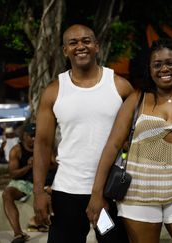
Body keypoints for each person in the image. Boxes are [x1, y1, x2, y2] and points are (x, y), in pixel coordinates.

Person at [87, 38, 172, 243]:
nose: (164, 69)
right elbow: (112, 146)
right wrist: (96, 193)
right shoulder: (136, 100)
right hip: (139, 196)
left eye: (170, 63)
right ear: (148, 69)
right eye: (157, 64)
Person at [33, 24, 133, 243]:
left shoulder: (120, 86)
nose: (81, 46)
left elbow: (140, 135)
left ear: (97, 46)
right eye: (73, 42)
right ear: (64, 50)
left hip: (111, 191)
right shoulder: (54, 91)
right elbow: (42, 144)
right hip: (67, 190)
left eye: (86, 41)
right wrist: (38, 191)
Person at [2, 123, 35, 243]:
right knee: (6, 194)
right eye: (31, 135)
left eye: (36, 135)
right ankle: (18, 234)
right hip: (22, 183)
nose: (34, 138)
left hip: (41, 183)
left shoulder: (43, 147)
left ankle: (39, 222)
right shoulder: (16, 150)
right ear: (25, 136)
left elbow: (55, 165)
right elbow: (13, 174)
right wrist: (29, 166)